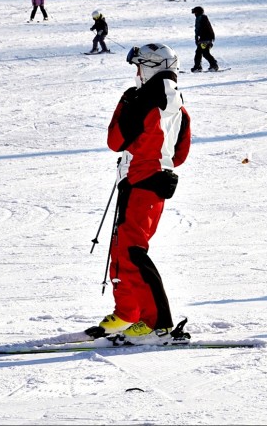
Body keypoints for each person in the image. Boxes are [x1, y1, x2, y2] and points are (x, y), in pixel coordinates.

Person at [84, 42, 191, 345]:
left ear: (152, 67)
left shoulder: (142, 99)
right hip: (153, 181)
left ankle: (157, 324)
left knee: (131, 251)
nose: (137, 73)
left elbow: (115, 140)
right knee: (125, 249)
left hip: (141, 180)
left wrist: (125, 104)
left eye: (139, 66)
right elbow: (179, 154)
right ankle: (129, 312)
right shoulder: (178, 105)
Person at [190, 6, 218, 72]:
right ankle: (198, 67)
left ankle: (213, 65)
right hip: (203, 39)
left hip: (205, 40)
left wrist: (202, 39)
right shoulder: (200, 18)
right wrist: (197, 39)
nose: (194, 14)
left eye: (195, 12)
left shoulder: (202, 18)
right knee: (201, 52)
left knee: (202, 53)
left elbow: (204, 29)